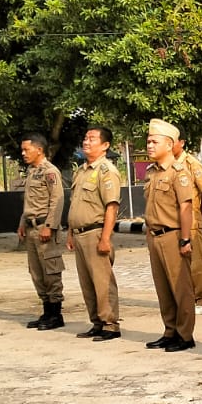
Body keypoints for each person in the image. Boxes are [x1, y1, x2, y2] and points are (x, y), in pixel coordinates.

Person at [143, 119, 198, 352]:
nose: (149, 145)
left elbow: (186, 207)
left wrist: (186, 239)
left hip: (173, 235)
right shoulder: (151, 172)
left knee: (180, 288)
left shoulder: (179, 172)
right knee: (163, 287)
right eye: (148, 141)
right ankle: (170, 330)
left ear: (169, 144)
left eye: (154, 141)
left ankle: (185, 335)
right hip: (154, 236)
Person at [67, 126, 122, 341]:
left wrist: (106, 238)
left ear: (105, 145)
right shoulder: (81, 171)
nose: (86, 142)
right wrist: (71, 233)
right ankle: (97, 322)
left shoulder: (107, 171)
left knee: (102, 281)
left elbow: (111, 206)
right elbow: (75, 205)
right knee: (87, 282)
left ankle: (110, 324)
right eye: (85, 138)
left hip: (95, 232)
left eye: (92, 139)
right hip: (79, 234)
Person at [17, 132, 66, 331]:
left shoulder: (50, 171)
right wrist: (22, 222)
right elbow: (29, 202)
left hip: (45, 228)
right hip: (31, 228)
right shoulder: (31, 171)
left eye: (26, 149)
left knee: (51, 271)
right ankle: (46, 311)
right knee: (36, 273)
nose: (23, 153)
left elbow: (57, 200)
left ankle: (56, 314)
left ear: (39, 150)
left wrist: (50, 226)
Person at [174, 137, 202, 316]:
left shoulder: (191, 164)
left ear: (181, 142)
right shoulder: (169, 164)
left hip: (191, 220)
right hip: (174, 222)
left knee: (196, 262)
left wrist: (199, 214)